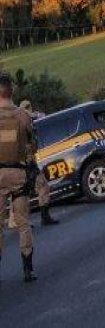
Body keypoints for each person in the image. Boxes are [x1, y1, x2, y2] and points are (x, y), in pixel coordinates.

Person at [0, 72, 37, 282]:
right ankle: (28, 268)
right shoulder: (23, 116)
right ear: (11, 92)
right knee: (23, 222)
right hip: (19, 174)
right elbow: (32, 146)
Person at [19, 100, 58, 226]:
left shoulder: (23, 122)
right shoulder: (23, 123)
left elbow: (41, 116)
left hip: (25, 163)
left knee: (26, 192)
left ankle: (38, 218)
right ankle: (43, 217)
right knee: (41, 187)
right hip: (27, 163)